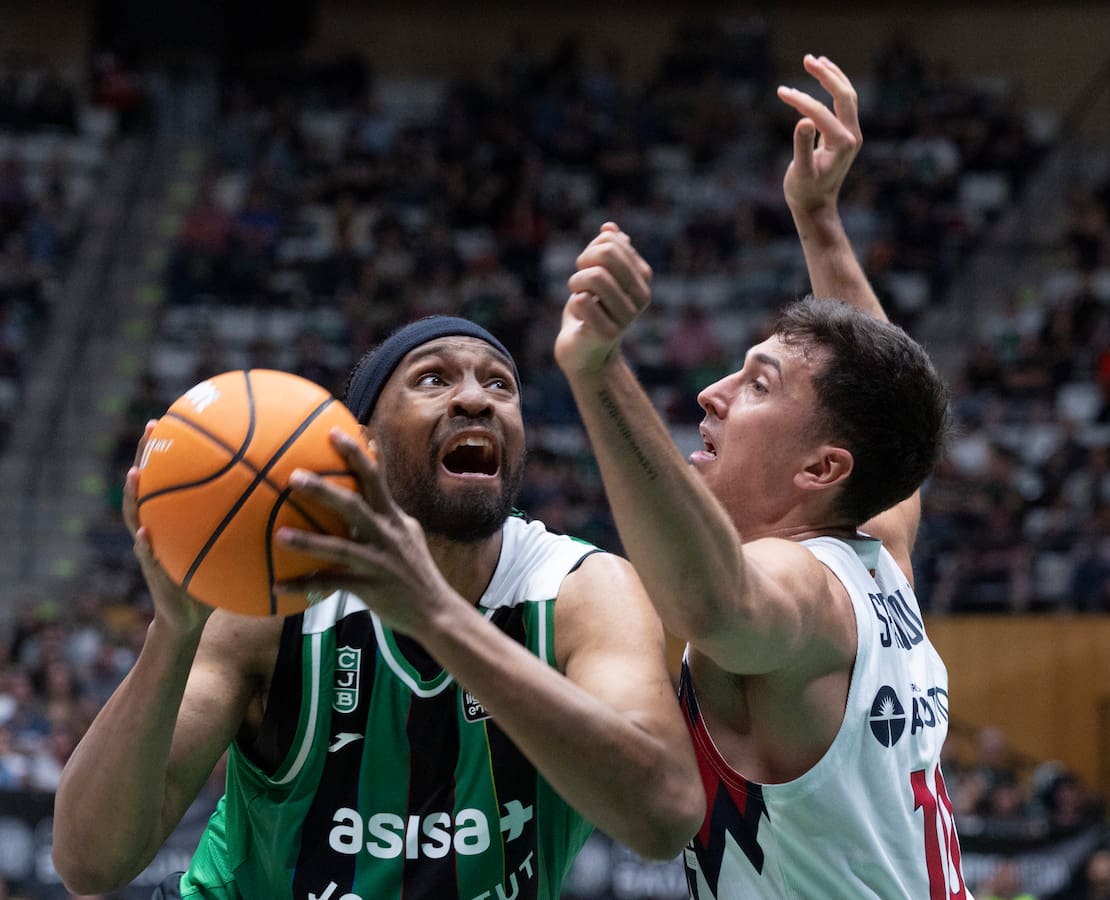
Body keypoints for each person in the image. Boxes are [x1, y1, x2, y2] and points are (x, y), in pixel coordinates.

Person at [52, 316, 705, 898]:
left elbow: (665, 818)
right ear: (358, 443)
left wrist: (434, 616)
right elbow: (90, 864)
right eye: (433, 379)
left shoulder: (579, 591)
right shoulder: (281, 599)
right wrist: (174, 631)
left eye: (501, 385)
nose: (477, 398)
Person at [554, 55, 970, 898]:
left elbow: (714, 604)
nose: (712, 394)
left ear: (821, 468)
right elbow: (889, 404)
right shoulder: (878, 549)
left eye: (757, 384)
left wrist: (599, 371)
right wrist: (817, 219)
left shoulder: (800, 590)